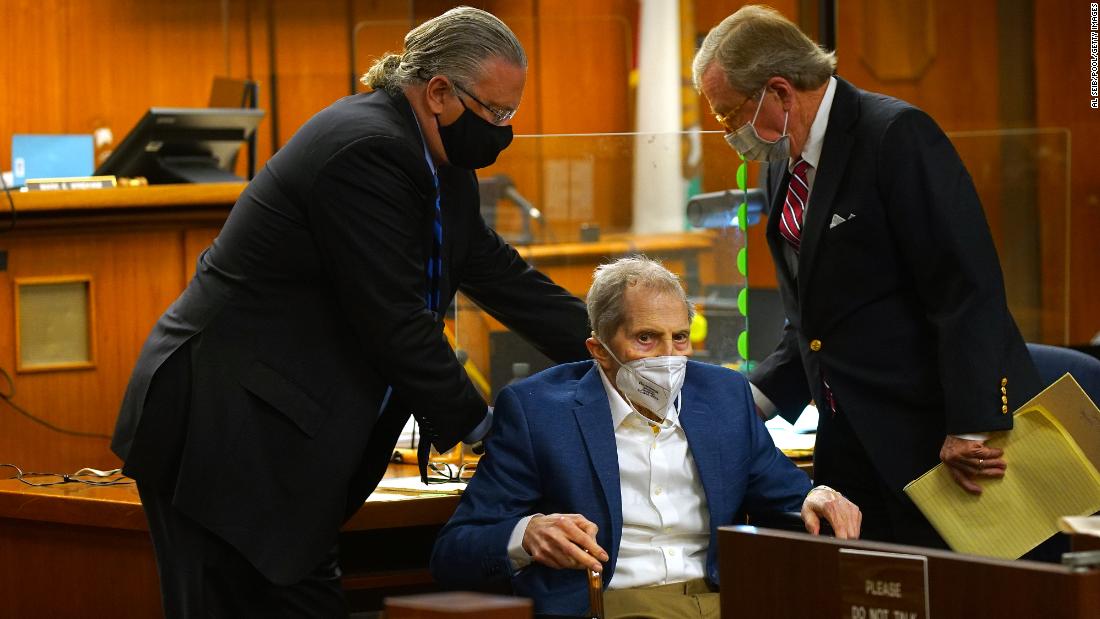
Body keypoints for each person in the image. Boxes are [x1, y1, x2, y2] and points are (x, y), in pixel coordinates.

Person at [110, 7, 591, 616]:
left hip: (282, 438)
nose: (502, 129)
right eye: (495, 112)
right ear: (439, 91)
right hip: (225, 429)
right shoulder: (366, 149)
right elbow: (393, 318)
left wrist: (606, 343)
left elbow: (498, 273)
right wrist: (486, 430)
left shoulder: (439, 158)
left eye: (510, 115)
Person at [693, 5, 1042, 549]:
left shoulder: (895, 134)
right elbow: (813, 318)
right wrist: (749, 402)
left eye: (729, 114)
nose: (729, 133)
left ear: (779, 92)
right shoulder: (782, 162)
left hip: (936, 439)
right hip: (848, 438)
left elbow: (964, 288)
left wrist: (971, 425)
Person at [431, 257, 861, 618]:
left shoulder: (723, 397)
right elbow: (454, 552)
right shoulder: (538, 412)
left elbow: (787, 497)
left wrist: (815, 496)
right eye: (645, 339)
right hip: (614, 604)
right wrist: (526, 534)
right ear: (599, 349)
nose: (668, 359)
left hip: (724, 602)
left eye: (679, 338)